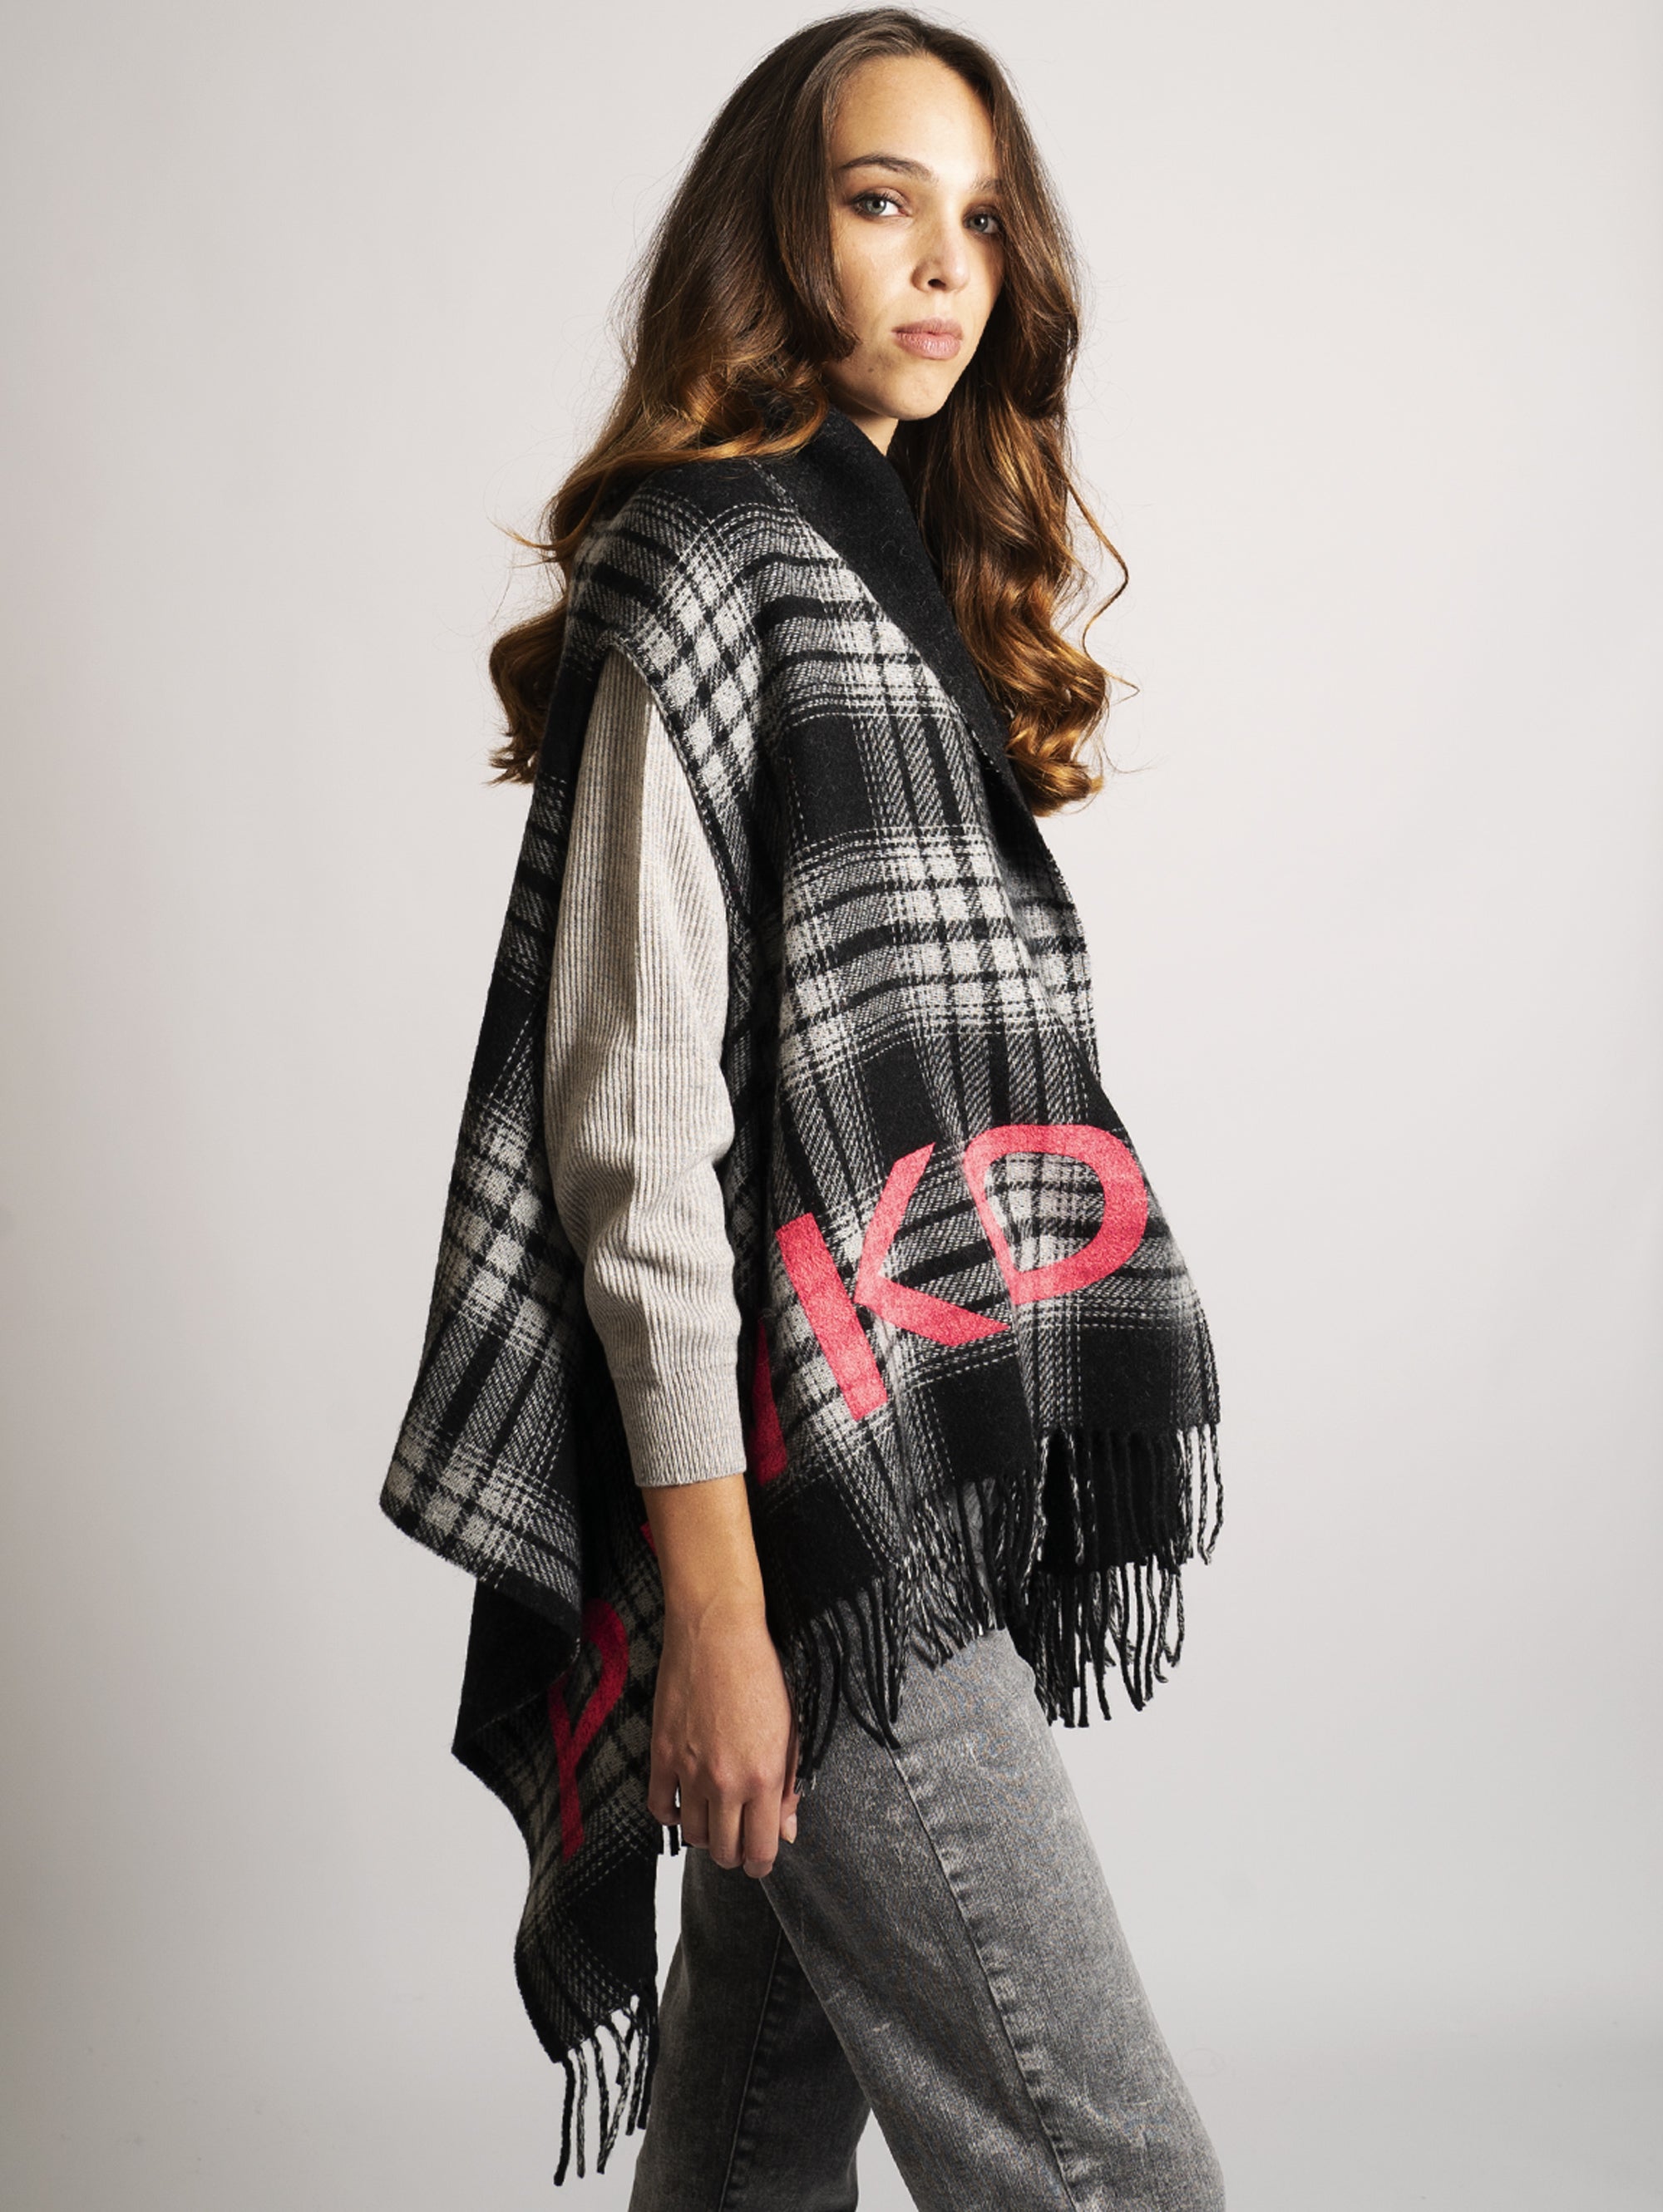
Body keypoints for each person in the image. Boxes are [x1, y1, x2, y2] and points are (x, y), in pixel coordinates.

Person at [382, 12, 1226, 2207]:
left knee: (749, 2140)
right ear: (781, 234)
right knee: (1116, 2173)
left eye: (981, 221)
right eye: (880, 202)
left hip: (886, 1472)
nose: (943, 265)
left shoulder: (889, 579)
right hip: (798, 1514)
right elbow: (631, 1144)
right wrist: (726, 1618)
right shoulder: (711, 568)